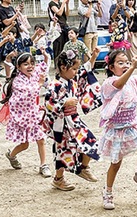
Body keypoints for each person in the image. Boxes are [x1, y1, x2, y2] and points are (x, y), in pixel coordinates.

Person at [99, 50, 137, 210]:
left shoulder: (133, 80)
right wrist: (132, 68)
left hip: (133, 124)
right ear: (111, 67)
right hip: (116, 128)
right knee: (116, 163)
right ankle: (108, 191)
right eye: (120, 63)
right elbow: (119, 84)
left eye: (126, 62)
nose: (125, 65)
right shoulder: (108, 83)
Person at [44, 49, 101, 191]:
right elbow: (48, 104)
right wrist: (64, 103)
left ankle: (83, 167)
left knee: (91, 142)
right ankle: (58, 179)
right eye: (74, 69)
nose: (76, 71)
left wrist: (93, 57)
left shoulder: (72, 80)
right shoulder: (55, 85)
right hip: (61, 123)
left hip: (74, 120)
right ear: (64, 68)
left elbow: (85, 71)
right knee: (63, 151)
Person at [3, 51, 52, 178]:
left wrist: (46, 57)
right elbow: (27, 94)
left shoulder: (33, 74)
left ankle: (43, 165)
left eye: (32, 63)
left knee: (41, 139)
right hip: (22, 116)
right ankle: (11, 155)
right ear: (18, 67)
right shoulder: (17, 81)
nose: (30, 66)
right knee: (25, 144)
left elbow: (42, 69)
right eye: (25, 64)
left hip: (33, 114)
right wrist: (40, 84)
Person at [47, 0, 70, 64]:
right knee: (58, 46)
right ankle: (57, 64)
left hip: (64, 26)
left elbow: (66, 14)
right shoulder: (51, 3)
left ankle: (64, 62)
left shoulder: (60, 3)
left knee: (65, 45)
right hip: (57, 27)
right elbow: (59, 13)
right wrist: (63, 2)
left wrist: (66, 4)